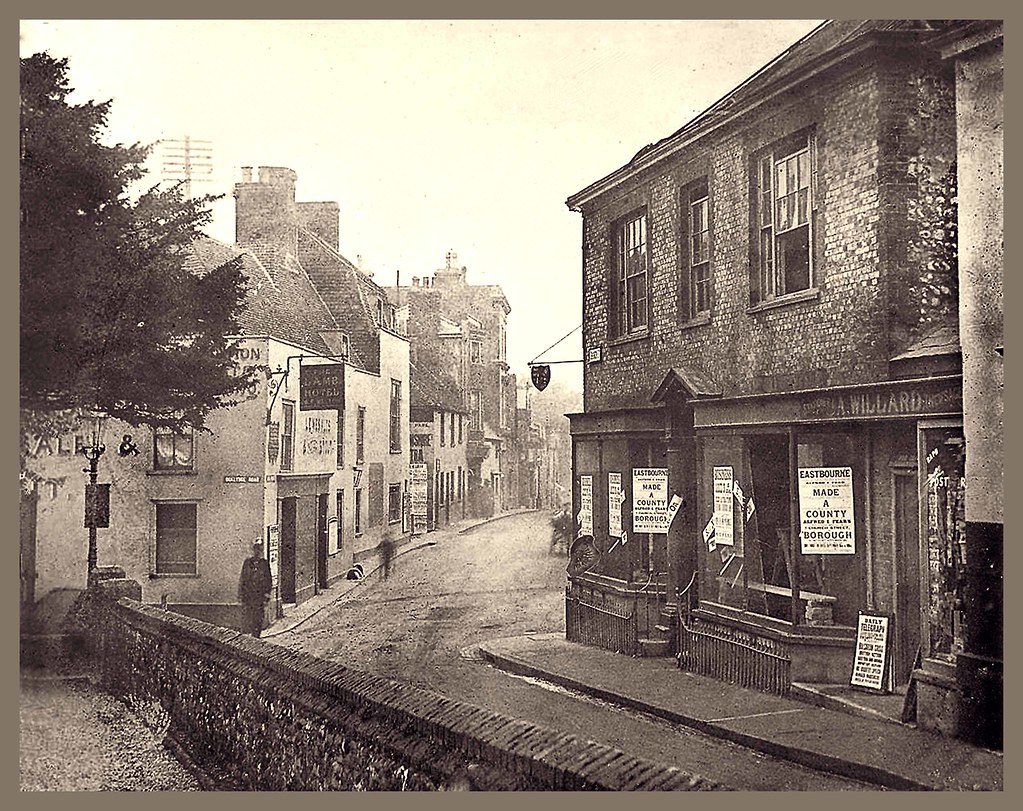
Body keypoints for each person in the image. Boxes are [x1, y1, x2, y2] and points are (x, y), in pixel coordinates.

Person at [239, 541, 272, 637]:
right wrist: (242, 594)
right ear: (253, 550)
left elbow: (268, 580)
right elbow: (243, 578)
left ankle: (256, 635)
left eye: (260, 549)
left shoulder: (264, 563)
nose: (258, 551)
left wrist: (267, 594)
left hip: (260, 595)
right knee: (249, 615)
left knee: (258, 616)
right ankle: (252, 634)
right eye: (256, 549)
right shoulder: (248, 562)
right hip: (249, 595)